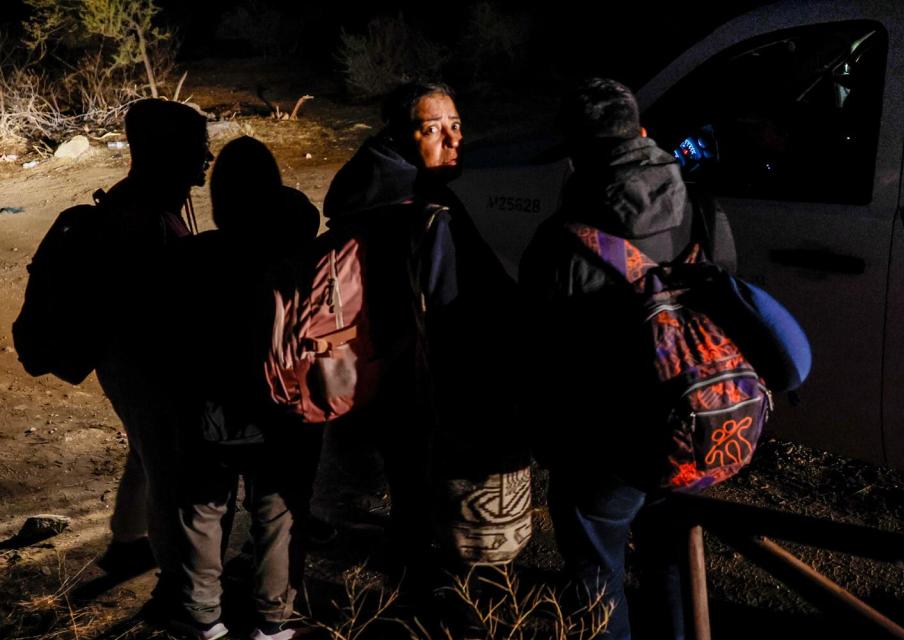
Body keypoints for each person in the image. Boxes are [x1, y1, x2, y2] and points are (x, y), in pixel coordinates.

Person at [519, 78, 735, 640]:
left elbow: (544, 359)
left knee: (597, 571)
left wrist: (546, 442)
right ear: (642, 132)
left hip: (603, 450)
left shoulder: (559, 243)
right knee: (670, 559)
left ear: (573, 156)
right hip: (693, 427)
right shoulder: (705, 212)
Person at [322, 81, 518, 583]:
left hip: (373, 369)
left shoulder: (363, 185)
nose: (453, 140)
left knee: (405, 485)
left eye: (456, 126)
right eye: (433, 129)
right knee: (425, 491)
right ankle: (428, 597)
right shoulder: (421, 211)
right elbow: (448, 308)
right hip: (414, 374)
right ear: (401, 135)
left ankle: (408, 579)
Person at [165, 136, 322, 640]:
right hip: (283, 403)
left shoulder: (193, 255)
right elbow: (303, 212)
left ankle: (200, 613)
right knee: (278, 509)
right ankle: (273, 619)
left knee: (204, 507)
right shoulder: (299, 253)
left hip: (210, 405)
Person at [95, 99, 212, 606]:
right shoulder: (146, 221)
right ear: (168, 152)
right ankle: (175, 586)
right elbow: (163, 314)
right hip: (147, 365)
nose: (205, 158)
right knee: (169, 474)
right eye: (197, 148)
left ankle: (126, 544)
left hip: (124, 363)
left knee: (145, 450)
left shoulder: (132, 203)